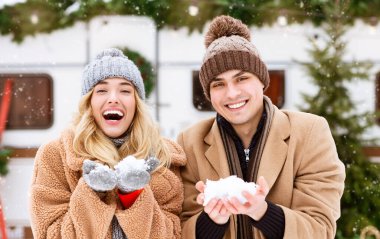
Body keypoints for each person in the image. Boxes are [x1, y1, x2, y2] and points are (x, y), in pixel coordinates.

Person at [178, 15, 345, 239]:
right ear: (210, 95)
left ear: (262, 80)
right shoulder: (190, 143)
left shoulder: (310, 132)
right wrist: (212, 221)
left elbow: (320, 228)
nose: (232, 93)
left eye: (241, 78)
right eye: (218, 84)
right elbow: (179, 229)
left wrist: (262, 212)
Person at [29, 48, 186, 238]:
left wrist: (133, 195)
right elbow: (50, 234)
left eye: (125, 90)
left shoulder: (163, 156)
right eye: (102, 90)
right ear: (89, 102)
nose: (113, 99)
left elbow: (175, 235)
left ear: (136, 103)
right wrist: (92, 193)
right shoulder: (56, 155)